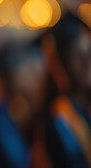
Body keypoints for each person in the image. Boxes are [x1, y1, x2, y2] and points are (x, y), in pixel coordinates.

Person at [44, 12, 91, 168]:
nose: (87, 63)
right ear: (64, 64)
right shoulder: (59, 118)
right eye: (79, 56)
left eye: (89, 52)